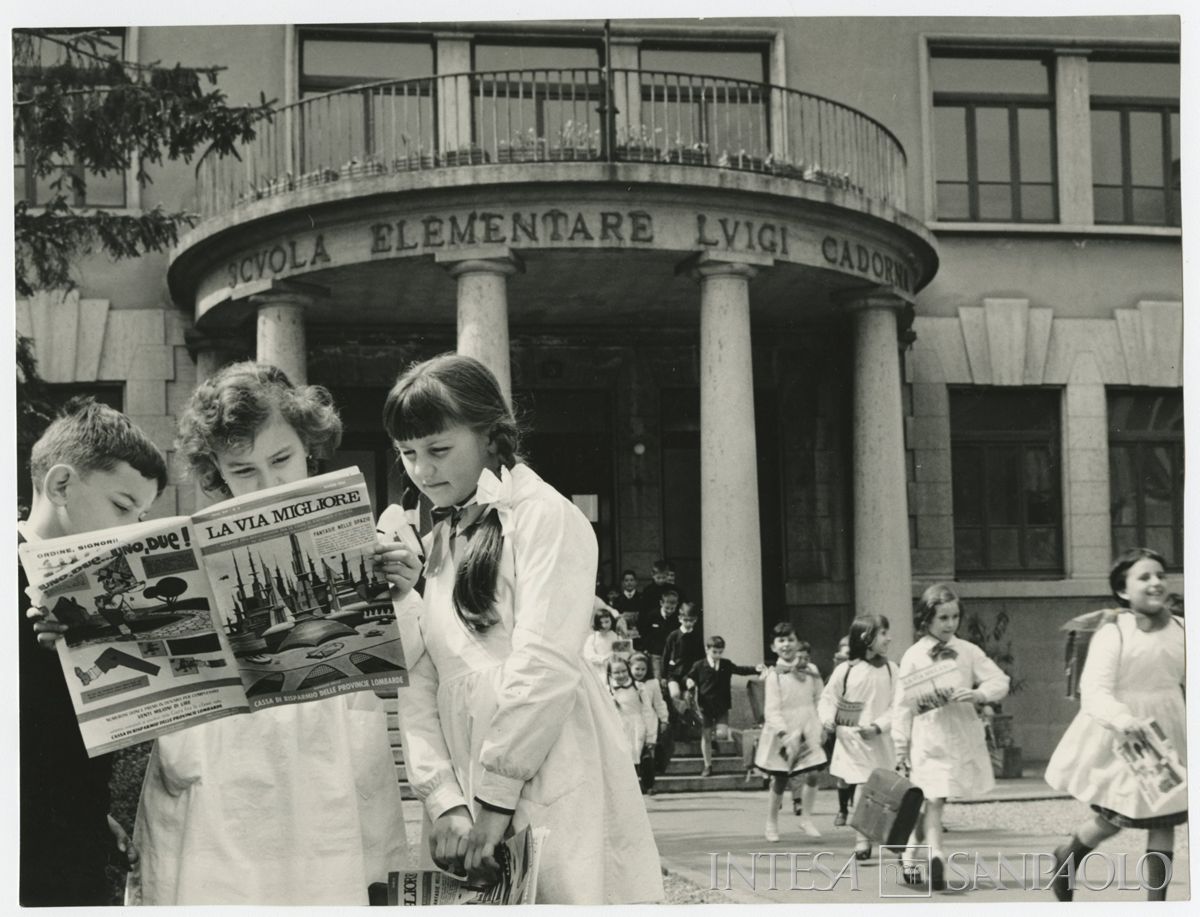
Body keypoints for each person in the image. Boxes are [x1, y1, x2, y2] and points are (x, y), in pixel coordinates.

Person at [381, 353, 663, 904]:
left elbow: (544, 664)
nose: (422, 470)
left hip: (544, 763)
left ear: (491, 436)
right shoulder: (438, 540)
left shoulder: (543, 516)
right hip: (466, 786)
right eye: (408, 454)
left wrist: (495, 799)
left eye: (439, 450)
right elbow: (421, 678)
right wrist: (443, 801)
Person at [127, 362, 408, 905]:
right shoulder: (190, 554)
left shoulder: (362, 539)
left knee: (326, 883)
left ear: (309, 444)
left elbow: (411, 656)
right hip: (222, 756)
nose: (270, 482)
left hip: (325, 749)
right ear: (217, 472)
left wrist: (403, 592)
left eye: (281, 459)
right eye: (243, 469)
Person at [20, 398, 167, 905]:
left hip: (72, 845)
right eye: (122, 507)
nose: (130, 530)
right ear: (61, 486)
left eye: (142, 516)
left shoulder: (100, 595)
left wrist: (87, 811)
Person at [1043, 548, 1186, 902]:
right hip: (1127, 736)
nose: (1155, 583)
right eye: (1144, 577)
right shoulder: (1115, 633)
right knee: (1114, 817)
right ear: (1123, 591)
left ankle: (1158, 903)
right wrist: (1123, 720)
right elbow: (1094, 690)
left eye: (1160, 575)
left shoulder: (1183, 627)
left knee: (1165, 815)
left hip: (1169, 728)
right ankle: (1068, 857)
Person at [893, 584, 1010, 890]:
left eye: (954, 616)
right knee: (933, 799)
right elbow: (901, 705)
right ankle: (937, 856)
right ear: (927, 619)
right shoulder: (914, 656)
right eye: (943, 617)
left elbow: (1000, 680)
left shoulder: (968, 652)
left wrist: (977, 693)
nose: (950, 624)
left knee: (934, 799)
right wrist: (899, 745)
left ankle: (909, 855)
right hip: (927, 736)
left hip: (958, 734)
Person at [818, 615, 901, 861]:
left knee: (883, 790)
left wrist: (878, 726)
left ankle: (889, 836)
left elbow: (898, 705)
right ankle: (862, 840)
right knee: (864, 786)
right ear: (866, 638)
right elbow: (828, 698)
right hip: (852, 739)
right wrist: (827, 719)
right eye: (883, 633)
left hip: (879, 739)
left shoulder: (891, 669)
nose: (889, 638)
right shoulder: (845, 669)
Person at [755, 623, 825, 842]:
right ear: (774, 647)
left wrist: (821, 724)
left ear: (798, 643)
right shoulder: (774, 675)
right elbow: (772, 710)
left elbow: (820, 698)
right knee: (780, 779)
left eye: (790, 640)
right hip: (783, 731)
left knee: (813, 773)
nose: (786, 645)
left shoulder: (810, 670)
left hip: (807, 727)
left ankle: (806, 818)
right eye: (781, 641)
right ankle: (771, 823)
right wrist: (784, 735)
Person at [685, 635, 764, 777]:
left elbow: (740, 670)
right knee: (706, 736)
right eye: (714, 652)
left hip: (721, 705)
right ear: (707, 650)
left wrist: (755, 669)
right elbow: (689, 676)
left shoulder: (726, 664)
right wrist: (689, 681)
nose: (717, 655)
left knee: (721, 733)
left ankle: (714, 739)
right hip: (705, 706)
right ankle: (707, 765)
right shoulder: (699, 665)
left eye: (720, 652)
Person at [607, 656, 658, 785]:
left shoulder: (638, 687)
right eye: (616, 672)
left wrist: (651, 736)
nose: (621, 675)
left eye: (624, 671)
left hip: (636, 728)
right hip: (617, 728)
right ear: (610, 674)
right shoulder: (607, 690)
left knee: (635, 758)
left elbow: (647, 711)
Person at [630, 652, 669, 795]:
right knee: (633, 754)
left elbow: (659, 703)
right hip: (632, 725)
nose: (640, 672)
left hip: (648, 723)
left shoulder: (652, 684)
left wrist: (664, 719)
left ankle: (649, 785)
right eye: (637, 669)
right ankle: (633, 786)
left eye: (643, 669)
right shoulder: (627, 683)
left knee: (647, 755)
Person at [828, 635, 853, 826]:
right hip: (844, 722)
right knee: (843, 772)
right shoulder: (838, 673)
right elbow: (828, 697)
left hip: (865, 722)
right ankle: (843, 809)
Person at [662, 602, 705, 706]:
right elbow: (665, 656)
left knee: (689, 697)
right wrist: (663, 676)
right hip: (674, 673)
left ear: (696, 620)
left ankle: (687, 720)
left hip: (689, 674)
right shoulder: (674, 635)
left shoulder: (697, 636)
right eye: (685, 620)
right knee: (675, 695)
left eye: (691, 620)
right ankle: (678, 719)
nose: (688, 623)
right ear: (680, 619)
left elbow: (701, 657)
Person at [638, 587, 680, 678]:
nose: (670, 611)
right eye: (667, 608)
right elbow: (645, 633)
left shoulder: (677, 618)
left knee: (669, 677)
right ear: (661, 603)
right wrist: (646, 648)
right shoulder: (652, 615)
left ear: (677, 604)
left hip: (671, 654)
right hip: (655, 653)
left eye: (672, 608)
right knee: (657, 676)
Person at [583, 607, 623, 683]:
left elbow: (621, 654)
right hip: (597, 670)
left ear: (611, 620)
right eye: (601, 623)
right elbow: (588, 654)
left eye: (607, 622)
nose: (604, 625)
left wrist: (612, 657)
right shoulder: (593, 638)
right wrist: (603, 659)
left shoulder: (617, 636)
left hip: (613, 669)